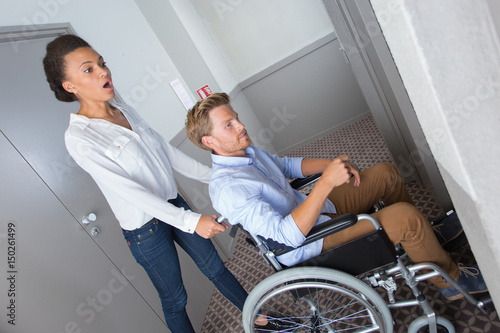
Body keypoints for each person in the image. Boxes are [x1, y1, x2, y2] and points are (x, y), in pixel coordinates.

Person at [185, 92, 488, 303]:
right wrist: (325, 184)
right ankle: (449, 281)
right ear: (209, 141)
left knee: (385, 173)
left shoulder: (245, 151)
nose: (241, 125)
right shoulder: (228, 190)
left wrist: (330, 166)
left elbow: (286, 165)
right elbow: (286, 236)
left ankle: (425, 240)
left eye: (236, 118)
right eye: (230, 125)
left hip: (315, 212)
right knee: (406, 218)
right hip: (311, 243)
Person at [42, 35, 250, 333]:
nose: (103, 72)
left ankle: (260, 318)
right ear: (70, 86)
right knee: (175, 299)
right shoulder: (80, 137)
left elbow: (167, 154)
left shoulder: (124, 110)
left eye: (102, 63)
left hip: (173, 204)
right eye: (88, 69)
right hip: (145, 229)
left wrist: (217, 174)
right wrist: (190, 221)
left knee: (215, 268)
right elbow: (131, 192)